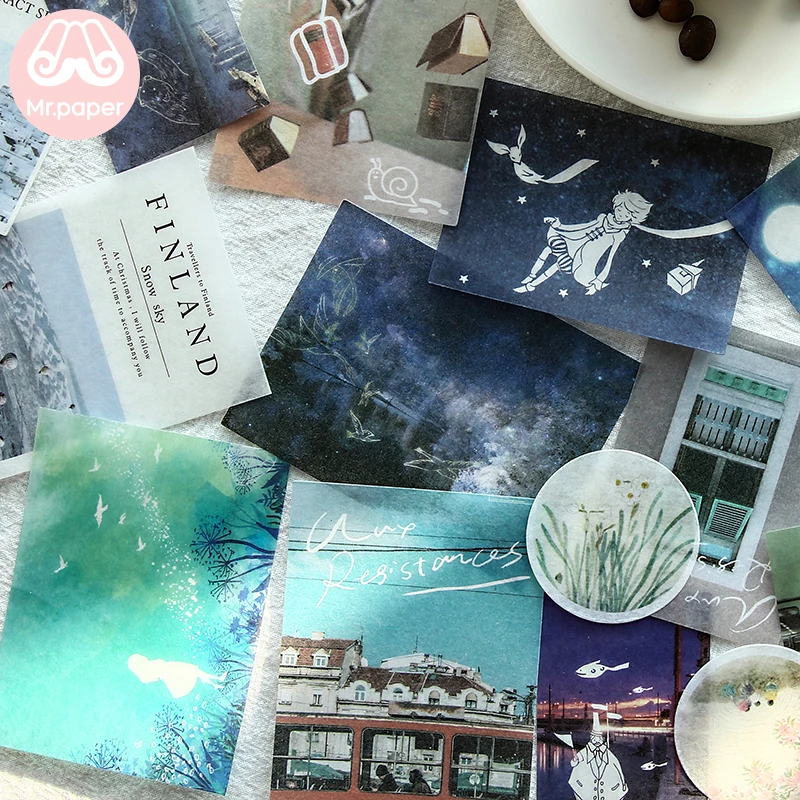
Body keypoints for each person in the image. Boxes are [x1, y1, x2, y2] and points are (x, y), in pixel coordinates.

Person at [513, 191, 653, 296]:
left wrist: (599, 280)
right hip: (575, 242)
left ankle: (530, 286)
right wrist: (560, 226)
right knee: (548, 249)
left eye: (627, 214)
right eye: (620, 209)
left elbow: (611, 257)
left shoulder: (620, 234)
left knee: (558, 265)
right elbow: (583, 227)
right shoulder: (603, 218)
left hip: (586, 257)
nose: (621, 214)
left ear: (633, 217)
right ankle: (530, 276)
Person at [568, 712, 628, 800]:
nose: (596, 741)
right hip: (587, 786)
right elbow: (575, 761)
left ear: (601, 739)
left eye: (598, 738)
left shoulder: (607, 753)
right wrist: (575, 761)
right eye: (595, 738)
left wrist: (622, 783)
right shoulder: (586, 751)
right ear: (591, 738)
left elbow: (616, 765)